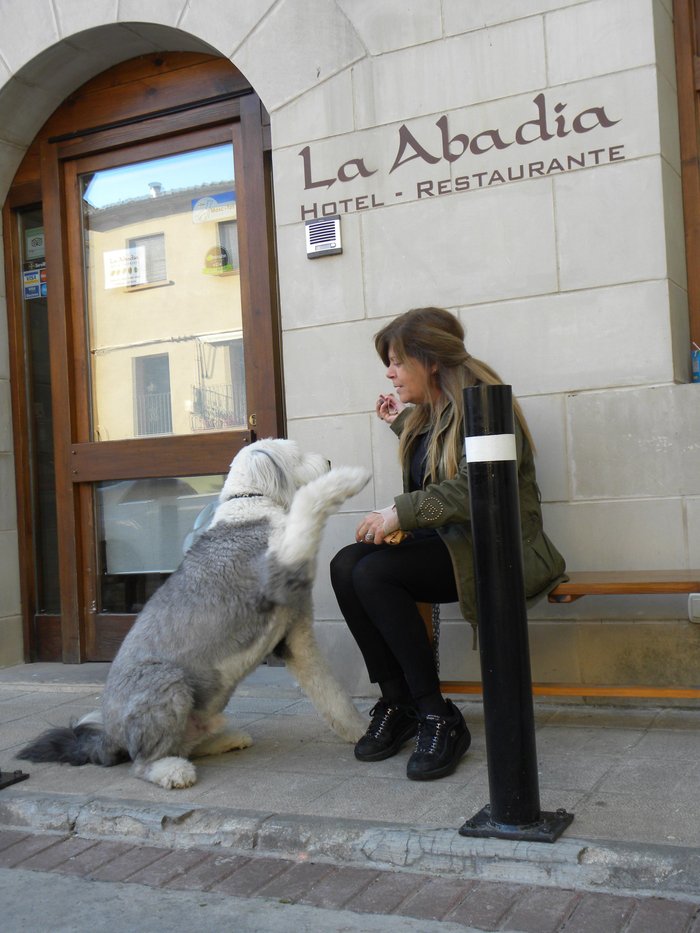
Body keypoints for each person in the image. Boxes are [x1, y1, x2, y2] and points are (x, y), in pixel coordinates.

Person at [330, 307, 566, 782]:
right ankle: (399, 703)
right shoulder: (432, 412)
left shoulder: (484, 405)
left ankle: (437, 714)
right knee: (345, 564)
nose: (389, 372)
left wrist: (400, 512)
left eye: (397, 361)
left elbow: (473, 486)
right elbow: (440, 464)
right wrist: (402, 424)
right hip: (451, 545)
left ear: (431, 360)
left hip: (494, 551)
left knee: (374, 572)